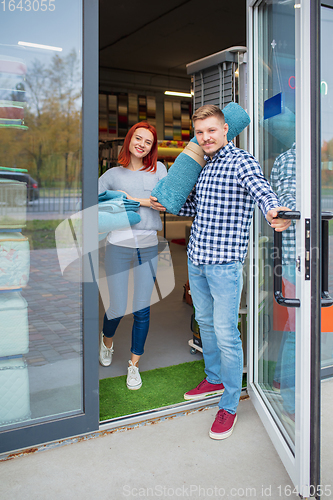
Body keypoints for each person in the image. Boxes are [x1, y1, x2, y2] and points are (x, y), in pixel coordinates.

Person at [150, 104, 291, 439]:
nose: (205, 137)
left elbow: (260, 188)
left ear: (226, 129)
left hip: (225, 264)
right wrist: (167, 204)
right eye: (200, 132)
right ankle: (213, 378)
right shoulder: (205, 166)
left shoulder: (241, 160)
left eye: (211, 130)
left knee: (227, 333)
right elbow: (198, 207)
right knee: (206, 323)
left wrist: (273, 208)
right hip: (197, 258)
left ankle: (229, 405)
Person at [98, 121, 167, 390]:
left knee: (141, 308)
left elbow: (164, 203)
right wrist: (124, 197)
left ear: (152, 147)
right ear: (129, 140)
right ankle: (107, 341)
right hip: (118, 245)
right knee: (116, 306)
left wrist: (133, 200)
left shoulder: (159, 170)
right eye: (138, 138)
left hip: (149, 246)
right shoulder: (112, 174)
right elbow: (96, 198)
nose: (142, 144)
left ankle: (134, 366)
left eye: (148, 141)